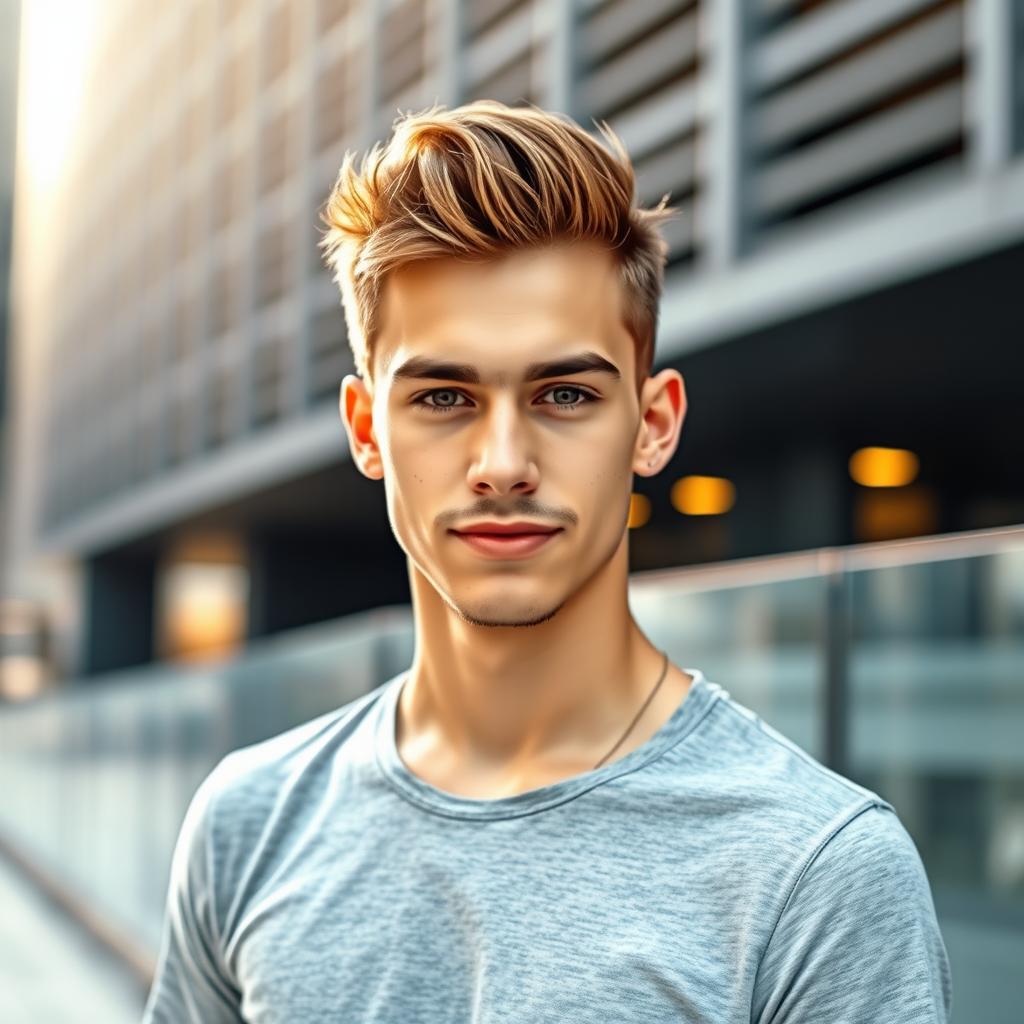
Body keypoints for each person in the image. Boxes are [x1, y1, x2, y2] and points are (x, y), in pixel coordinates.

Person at [142, 99, 952, 1023]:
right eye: (443, 397)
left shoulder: (818, 872)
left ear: (651, 425)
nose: (502, 465)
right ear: (368, 429)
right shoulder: (246, 823)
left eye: (564, 393)